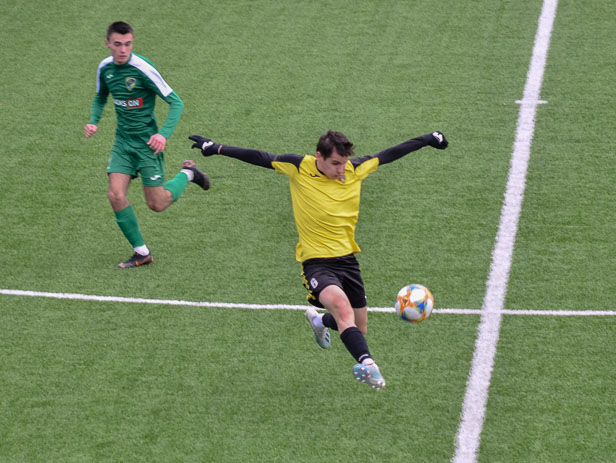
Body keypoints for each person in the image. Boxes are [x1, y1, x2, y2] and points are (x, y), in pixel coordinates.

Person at [189, 130, 449, 389]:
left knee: (358, 327)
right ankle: (368, 364)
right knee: (342, 308)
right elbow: (260, 157)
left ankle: (320, 321)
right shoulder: (299, 167)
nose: (341, 170)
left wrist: (427, 139)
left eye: (344, 163)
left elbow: (390, 154)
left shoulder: (355, 170)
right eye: (335, 163)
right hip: (317, 263)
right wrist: (215, 148)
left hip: (348, 261)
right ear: (319, 157)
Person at [84, 21, 210, 268]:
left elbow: (176, 103)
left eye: (128, 44)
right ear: (108, 43)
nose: (123, 50)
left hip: (147, 145)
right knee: (115, 194)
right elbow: (100, 97)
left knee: (157, 204)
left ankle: (188, 173)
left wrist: (162, 134)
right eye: (118, 44)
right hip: (123, 142)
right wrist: (94, 121)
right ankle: (142, 252)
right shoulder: (105, 68)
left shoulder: (143, 69)